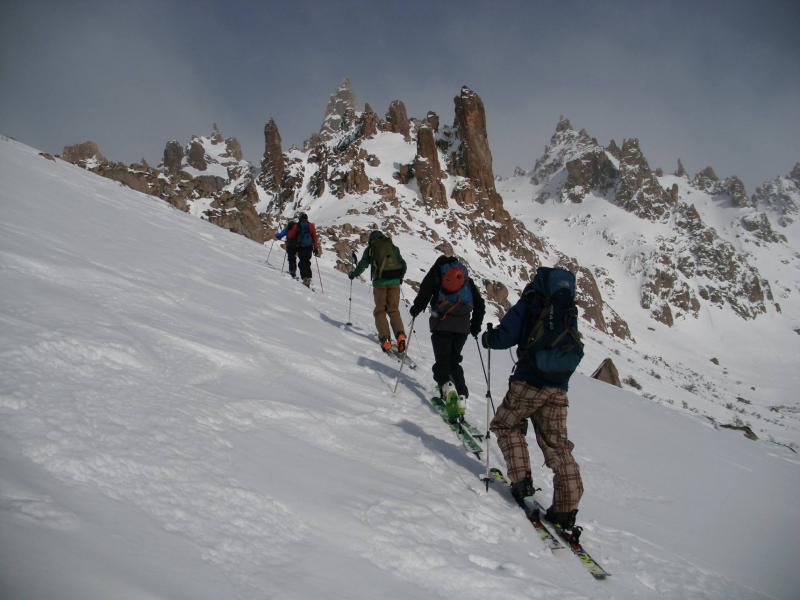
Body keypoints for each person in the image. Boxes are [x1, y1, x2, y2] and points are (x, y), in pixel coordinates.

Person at [481, 266, 584, 534]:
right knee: (558, 446)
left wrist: (488, 338)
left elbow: (505, 336)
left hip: (529, 380)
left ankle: (522, 482)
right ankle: (566, 508)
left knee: (506, 425)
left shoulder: (532, 302)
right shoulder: (567, 309)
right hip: (559, 387)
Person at [409, 254, 485, 422]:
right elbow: (480, 304)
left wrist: (416, 309)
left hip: (441, 323)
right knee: (454, 361)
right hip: (462, 327)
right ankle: (462, 395)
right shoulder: (465, 278)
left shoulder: (436, 273)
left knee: (442, 362)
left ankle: (447, 388)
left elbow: (425, 293)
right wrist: (475, 326)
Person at [348, 230, 407, 353]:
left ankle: (385, 339)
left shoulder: (371, 249)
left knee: (380, 310)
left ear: (371, 240)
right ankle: (400, 335)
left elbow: (363, 264)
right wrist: (399, 277)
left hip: (380, 283)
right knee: (394, 310)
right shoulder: (392, 247)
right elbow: (403, 264)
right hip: (395, 282)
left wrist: (354, 274)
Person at [276, 213, 321, 286]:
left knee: (301, 262)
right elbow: (315, 238)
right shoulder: (311, 226)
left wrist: (289, 240)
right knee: (306, 261)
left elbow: (292, 235)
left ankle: (300, 276)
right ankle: (308, 278)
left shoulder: (298, 225)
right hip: (309, 247)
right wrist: (315, 248)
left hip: (301, 247)